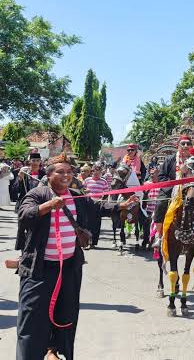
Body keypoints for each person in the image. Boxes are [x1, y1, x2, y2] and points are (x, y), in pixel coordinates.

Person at [15, 153, 137, 360]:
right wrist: (48, 206)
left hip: (69, 268)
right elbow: (24, 215)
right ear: (49, 174)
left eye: (69, 172)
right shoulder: (37, 194)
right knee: (32, 319)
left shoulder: (75, 195)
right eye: (60, 172)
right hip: (39, 268)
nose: (66, 175)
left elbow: (97, 206)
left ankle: (55, 351)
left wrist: (121, 206)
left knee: (66, 315)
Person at [152, 135, 194, 247]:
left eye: (188, 144)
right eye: (183, 143)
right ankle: (159, 235)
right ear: (178, 146)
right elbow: (161, 176)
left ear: (191, 146)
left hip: (193, 189)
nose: (185, 146)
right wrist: (177, 183)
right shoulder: (170, 159)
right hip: (172, 191)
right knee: (161, 203)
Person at [82, 162, 109, 248]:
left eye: (98, 171)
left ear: (101, 172)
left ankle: (93, 243)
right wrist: (86, 192)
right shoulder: (87, 180)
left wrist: (102, 202)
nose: (96, 173)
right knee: (87, 223)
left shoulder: (103, 181)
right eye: (94, 171)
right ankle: (86, 242)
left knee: (96, 224)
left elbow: (107, 193)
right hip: (87, 204)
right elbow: (82, 191)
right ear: (92, 172)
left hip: (98, 205)